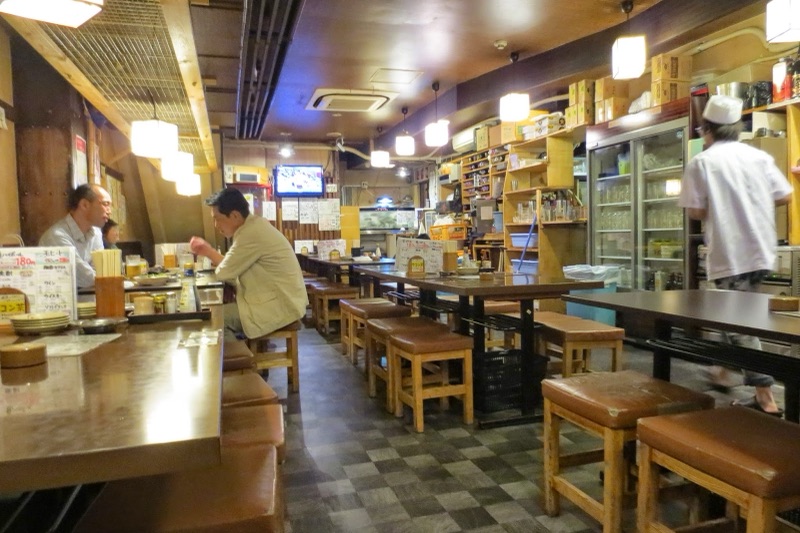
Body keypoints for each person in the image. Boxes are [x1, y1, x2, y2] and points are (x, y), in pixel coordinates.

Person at [679, 94, 793, 416]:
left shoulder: (702, 162)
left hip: (732, 250)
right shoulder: (757, 157)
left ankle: (765, 396)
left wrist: (727, 205)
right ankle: (724, 372)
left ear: (706, 130)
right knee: (730, 314)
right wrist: (751, 202)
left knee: (740, 322)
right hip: (762, 248)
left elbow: (697, 211)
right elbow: (785, 194)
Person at [189, 188, 308, 342]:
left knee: (215, 319)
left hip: (281, 305)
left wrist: (207, 251)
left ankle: (240, 363)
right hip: (282, 299)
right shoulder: (252, 227)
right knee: (217, 313)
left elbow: (223, 273)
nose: (215, 225)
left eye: (217, 218)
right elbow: (230, 265)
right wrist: (209, 251)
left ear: (235, 215)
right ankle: (237, 358)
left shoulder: (251, 233)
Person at [39, 183, 112, 288]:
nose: (109, 211)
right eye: (105, 204)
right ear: (84, 205)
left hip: (92, 300)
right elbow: (84, 277)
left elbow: (101, 270)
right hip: (66, 302)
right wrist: (114, 281)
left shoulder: (96, 232)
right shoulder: (56, 236)